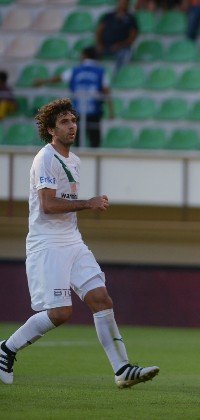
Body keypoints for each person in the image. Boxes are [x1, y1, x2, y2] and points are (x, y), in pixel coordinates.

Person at [0, 98, 159, 388]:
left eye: (74, 120)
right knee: (61, 313)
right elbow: (47, 205)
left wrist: (84, 205)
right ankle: (6, 349)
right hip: (47, 243)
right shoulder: (46, 157)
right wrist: (89, 203)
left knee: (101, 299)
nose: (72, 126)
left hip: (72, 241)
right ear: (51, 130)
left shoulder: (73, 160)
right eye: (64, 122)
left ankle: (122, 369)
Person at [33, 46, 113, 148]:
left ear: (84, 55)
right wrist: (111, 111)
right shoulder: (101, 72)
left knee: (77, 138)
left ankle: (78, 160)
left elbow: (59, 78)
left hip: (77, 110)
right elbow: (106, 91)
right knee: (94, 139)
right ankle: (95, 161)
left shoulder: (76, 71)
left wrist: (43, 81)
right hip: (94, 111)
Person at [95, 0, 139, 74]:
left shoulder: (131, 18)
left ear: (128, 4)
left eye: (125, 3)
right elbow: (99, 31)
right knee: (90, 52)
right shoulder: (109, 16)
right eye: (121, 2)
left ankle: (118, 75)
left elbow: (132, 37)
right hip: (105, 45)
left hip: (122, 47)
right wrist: (99, 44)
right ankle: (94, 74)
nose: (122, 4)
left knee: (126, 54)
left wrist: (120, 45)